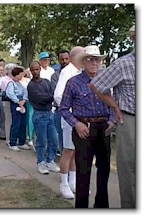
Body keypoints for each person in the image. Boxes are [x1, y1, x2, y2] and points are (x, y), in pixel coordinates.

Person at [59, 45, 115, 208]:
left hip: (103, 128)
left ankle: (102, 207)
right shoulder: (73, 82)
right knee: (83, 173)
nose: (94, 63)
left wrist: (111, 121)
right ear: (83, 62)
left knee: (104, 170)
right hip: (84, 129)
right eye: (90, 59)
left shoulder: (105, 83)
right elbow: (63, 108)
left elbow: (112, 105)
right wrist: (76, 124)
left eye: (96, 59)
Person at [89, 25, 136, 208]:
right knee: (130, 170)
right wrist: (116, 107)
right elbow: (96, 86)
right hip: (131, 120)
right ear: (133, 38)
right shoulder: (123, 63)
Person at [54, 46, 84, 199]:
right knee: (68, 150)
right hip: (70, 118)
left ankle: (73, 182)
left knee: (75, 151)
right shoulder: (68, 72)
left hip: (80, 119)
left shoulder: (79, 72)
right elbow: (59, 95)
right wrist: (72, 112)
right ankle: (64, 184)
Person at [27, 61, 58, 175]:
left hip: (50, 113)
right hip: (39, 114)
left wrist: (49, 96)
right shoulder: (31, 86)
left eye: (37, 69)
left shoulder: (46, 82)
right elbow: (40, 98)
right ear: (30, 71)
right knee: (41, 140)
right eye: (33, 70)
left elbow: (52, 93)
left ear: (40, 69)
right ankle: (41, 162)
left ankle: (50, 160)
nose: (35, 72)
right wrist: (49, 97)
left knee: (54, 139)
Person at [39, 51, 60, 172]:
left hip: (52, 102)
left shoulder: (52, 70)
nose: (46, 61)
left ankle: (50, 159)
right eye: (44, 59)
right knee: (42, 135)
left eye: (48, 59)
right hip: (41, 104)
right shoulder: (37, 70)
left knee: (53, 135)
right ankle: (41, 160)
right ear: (40, 60)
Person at [6, 67, 31, 151]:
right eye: (21, 74)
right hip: (15, 104)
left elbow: (25, 92)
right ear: (17, 74)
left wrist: (23, 101)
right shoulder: (11, 83)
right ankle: (12, 142)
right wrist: (18, 101)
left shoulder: (20, 84)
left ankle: (22, 142)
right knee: (16, 123)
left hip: (22, 103)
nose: (22, 76)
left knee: (23, 123)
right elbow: (10, 94)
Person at [51, 49, 70, 155]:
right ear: (58, 60)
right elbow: (56, 94)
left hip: (76, 112)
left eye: (66, 58)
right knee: (63, 139)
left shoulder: (76, 73)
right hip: (60, 110)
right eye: (62, 59)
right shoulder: (55, 76)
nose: (64, 61)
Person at [0, 63, 17, 146]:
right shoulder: (4, 80)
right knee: (8, 120)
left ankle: (14, 137)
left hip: (15, 102)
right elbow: (8, 92)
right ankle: (8, 138)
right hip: (7, 102)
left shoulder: (14, 79)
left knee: (14, 120)